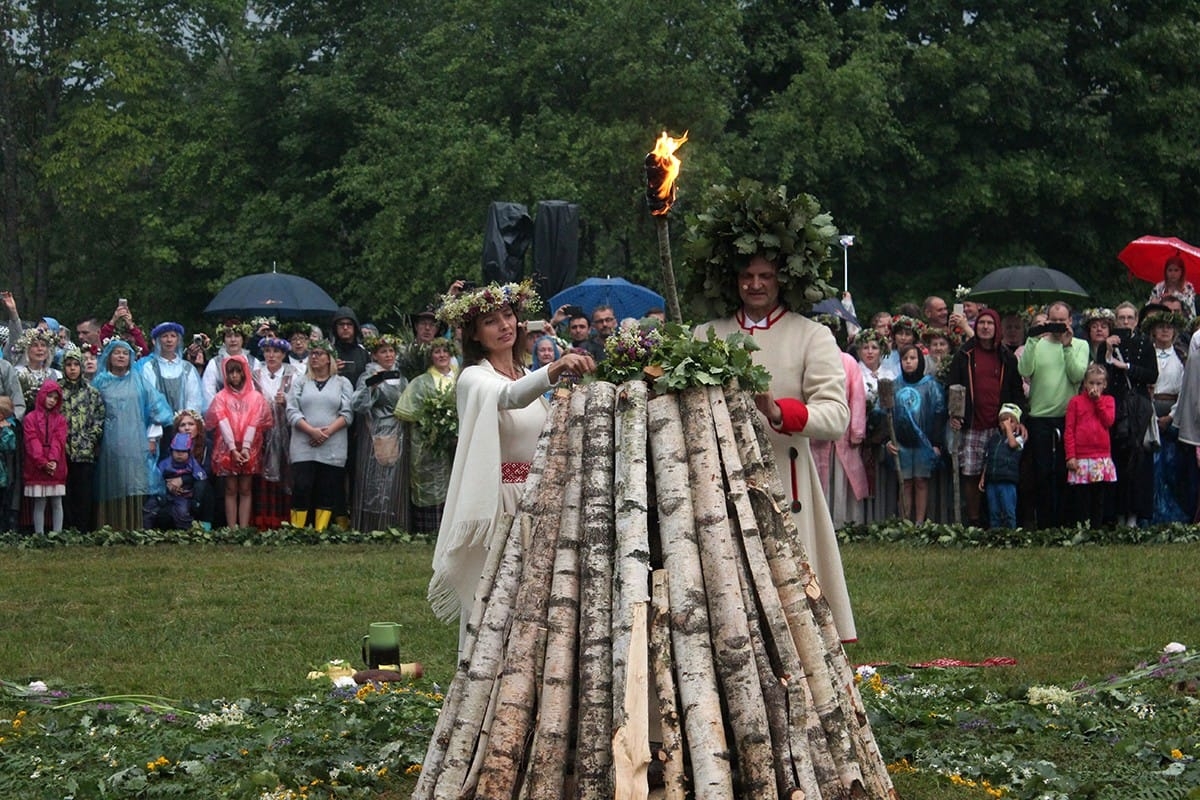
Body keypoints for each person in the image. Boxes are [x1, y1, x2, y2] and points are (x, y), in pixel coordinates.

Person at [427, 281, 596, 646]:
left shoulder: (523, 373)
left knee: (539, 599)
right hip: (501, 502)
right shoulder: (474, 378)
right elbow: (508, 397)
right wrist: (553, 369)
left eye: (508, 315)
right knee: (496, 600)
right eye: (491, 320)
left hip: (538, 499)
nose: (504, 325)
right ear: (474, 333)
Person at [701, 249, 857, 642]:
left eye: (765, 276)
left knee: (792, 596)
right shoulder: (705, 335)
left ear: (781, 280)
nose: (754, 285)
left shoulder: (812, 335)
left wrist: (778, 411)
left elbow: (836, 416)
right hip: (717, 483)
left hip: (787, 485)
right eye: (747, 275)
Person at [945, 308, 1025, 527]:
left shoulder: (1007, 357)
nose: (986, 327)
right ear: (976, 326)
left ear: (996, 327)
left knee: (996, 475)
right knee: (970, 474)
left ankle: (996, 520)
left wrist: (1015, 416)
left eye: (990, 323)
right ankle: (974, 520)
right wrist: (954, 414)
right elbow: (952, 386)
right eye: (982, 323)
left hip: (998, 427)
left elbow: (1017, 392)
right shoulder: (964, 354)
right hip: (971, 424)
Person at [1018, 300, 1090, 528]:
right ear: (1047, 321)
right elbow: (1024, 370)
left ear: (1070, 321)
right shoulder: (1037, 344)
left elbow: (1077, 375)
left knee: (1064, 470)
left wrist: (1067, 347)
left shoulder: (1080, 345)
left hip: (1068, 417)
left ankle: (1065, 522)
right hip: (1039, 417)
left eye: (1063, 321)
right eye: (1054, 321)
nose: (1058, 325)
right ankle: (1045, 524)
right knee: (1042, 472)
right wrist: (1031, 339)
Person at [92, 338, 174, 530]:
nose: (121, 356)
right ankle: (110, 527)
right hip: (109, 443)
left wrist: (152, 436)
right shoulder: (100, 382)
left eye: (124, 353)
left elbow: (157, 407)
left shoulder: (139, 380)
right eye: (116, 352)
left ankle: (135, 526)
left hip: (136, 442)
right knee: (113, 481)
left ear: (130, 357)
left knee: (135, 482)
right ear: (109, 357)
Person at [286, 339, 353, 531]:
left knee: (327, 488)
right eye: (312, 354)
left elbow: (348, 413)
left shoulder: (342, 383)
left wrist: (327, 432)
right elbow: (292, 410)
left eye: (320, 354)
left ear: (329, 359)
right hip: (303, 443)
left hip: (333, 445)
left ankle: (320, 530)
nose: (314, 357)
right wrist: (311, 431)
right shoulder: (300, 382)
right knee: (302, 486)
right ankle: (297, 530)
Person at [394, 339, 459, 534]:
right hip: (429, 442)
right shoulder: (421, 381)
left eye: (445, 351)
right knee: (432, 480)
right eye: (437, 352)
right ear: (431, 356)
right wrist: (432, 425)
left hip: (459, 439)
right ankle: (430, 529)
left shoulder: (461, 377)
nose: (441, 355)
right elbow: (408, 411)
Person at [350, 332, 410, 532]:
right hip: (376, 432)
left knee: (395, 482)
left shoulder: (401, 377)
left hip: (399, 432)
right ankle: (372, 526)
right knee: (375, 480)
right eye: (383, 351)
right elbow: (357, 404)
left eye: (391, 351)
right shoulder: (369, 375)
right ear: (374, 355)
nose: (388, 355)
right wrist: (372, 388)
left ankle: (395, 525)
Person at [206, 354, 272, 529]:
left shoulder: (255, 397)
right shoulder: (221, 397)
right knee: (230, 488)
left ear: (244, 373)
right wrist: (233, 448)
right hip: (227, 447)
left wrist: (246, 447)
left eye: (237, 372)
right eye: (230, 372)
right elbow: (222, 421)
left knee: (245, 488)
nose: (234, 376)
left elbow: (254, 421)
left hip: (249, 447)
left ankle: (242, 527)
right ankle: (231, 528)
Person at [885, 344, 946, 524]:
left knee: (921, 481)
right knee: (905, 482)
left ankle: (919, 523)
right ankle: (905, 522)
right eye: (905, 359)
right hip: (901, 443)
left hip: (923, 443)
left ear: (920, 361)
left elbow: (939, 413)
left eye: (913, 358)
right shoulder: (894, 385)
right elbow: (885, 415)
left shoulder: (931, 385)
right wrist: (888, 440)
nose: (909, 362)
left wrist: (935, 443)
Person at [140, 322, 207, 458]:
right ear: (158, 340)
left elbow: (194, 399)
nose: (169, 340)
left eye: (173, 336)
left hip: (184, 428)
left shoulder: (187, 368)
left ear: (178, 340)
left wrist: (186, 424)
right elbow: (150, 400)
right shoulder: (149, 367)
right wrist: (153, 433)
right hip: (159, 430)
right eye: (165, 336)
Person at [252, 337, 299, 529]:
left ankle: (283, 518)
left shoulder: (293, 374)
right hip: (260, 431)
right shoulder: (255, 374)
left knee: (284, 470)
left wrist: (286, 400)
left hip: (285, 430)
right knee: (261, 473)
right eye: (267, 351)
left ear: (284, 355)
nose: (271, 356)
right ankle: (262, 518)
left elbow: (299, 399)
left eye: (276, 352)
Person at [59, 344, 105, 532]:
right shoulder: (57, 391)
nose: (72, 369)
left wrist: (91, 439)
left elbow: (99, 417)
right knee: (65, 491)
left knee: (83, 491)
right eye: (68, 365)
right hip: (62, 450)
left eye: (75, 365)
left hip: (84, 451)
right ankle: (66, 527)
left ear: (81, 367)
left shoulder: (91, 392)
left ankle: (83, 528)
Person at [1065, 364, 1117, 527]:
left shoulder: (1109, 401)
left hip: (1100, 456)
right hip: (1081, 456)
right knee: (1082, 498)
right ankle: (1082, 528)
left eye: (1098, 384)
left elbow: (1108, 421)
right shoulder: (1076, 402)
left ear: (1105, 385)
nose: (1094, 387)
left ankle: (1096, 529)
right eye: (1091, 383)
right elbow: (1069, 430)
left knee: (1098, 497)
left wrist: (1098, 402)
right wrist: (1070, 455)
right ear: (1085, 384)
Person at [23, 380, 68, 534]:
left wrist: (53, 460)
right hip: (37, 465)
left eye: (56, 398)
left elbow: (59, 441)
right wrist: (42, 461)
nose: (52, 401)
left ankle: (57, 534)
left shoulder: (60, 420)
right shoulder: (30, 418)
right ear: (42, 395)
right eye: (49, 396)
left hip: (56, 464)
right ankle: (39, 534)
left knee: (57, 501)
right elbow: (31, 441)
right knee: (40, 502)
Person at [142, 432, 208, 529]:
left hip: (183, 496)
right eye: (176, 451)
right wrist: (164, 489)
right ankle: (146, 532)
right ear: (171, 450)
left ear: (189, 452)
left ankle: (184, 534)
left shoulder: (192, 463)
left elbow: (202, 477)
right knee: (149, 508)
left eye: (183, 451)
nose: (179, 454)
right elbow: (156, 479)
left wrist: (196, 499)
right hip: (164, 493)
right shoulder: (165, 463)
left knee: (182, 513)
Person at [979, 403, 1024, 529]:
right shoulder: (994, 439)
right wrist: (983, 477)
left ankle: (1011, 534)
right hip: (992, 480)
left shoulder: (1019, 439)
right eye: (1003, 421)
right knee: (994, 511)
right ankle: (996, 534)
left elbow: (1012, 444)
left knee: (1008, 511)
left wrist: (1009, 430)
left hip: (1008, 482)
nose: (1006, 424)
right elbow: (988, 459)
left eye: (1011, 422)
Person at [202, 319, 260, 404]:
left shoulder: (254, 362)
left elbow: (259, 391)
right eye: (229, 336)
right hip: (222, 411)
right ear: (224, 340)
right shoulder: (214, 363)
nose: (233, 340)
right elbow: (208, 392)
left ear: (243, 339)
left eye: (237, 336)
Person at [1148, 254, 1196, 319]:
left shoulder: (1188, 287)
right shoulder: (1159, 287)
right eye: (1170, 270)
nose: (1173, 273)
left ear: (1182, 272)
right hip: (1163, 319)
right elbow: (1149, 304)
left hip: (1184, 320)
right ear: (1166, 271)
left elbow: (1189, 304)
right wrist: (1155, 301)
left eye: (1176, 270)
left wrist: (1174, 295)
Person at [0, 397, 16, 531]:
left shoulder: (8, 431)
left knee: (3, 501)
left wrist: (5, 431)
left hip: (3, 471)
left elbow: (9, 447)